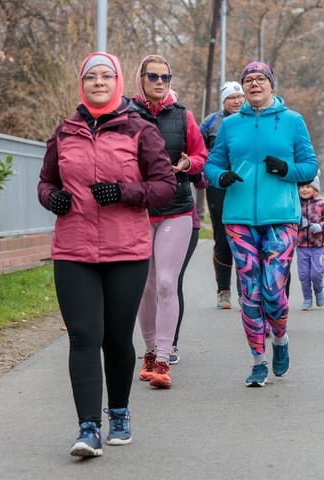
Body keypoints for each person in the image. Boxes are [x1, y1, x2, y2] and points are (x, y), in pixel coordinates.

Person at [37, 52, 176, 457]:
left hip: (125, 249)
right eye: (91, 77)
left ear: (117, 82)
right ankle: (87, 429)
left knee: (116, 338)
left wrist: (124, 192)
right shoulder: (64, 132)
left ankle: (119, 411)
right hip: (73, 248)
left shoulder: (140, 130)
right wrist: (54, 198)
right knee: (84, 336)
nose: (99, 82)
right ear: (82, 84)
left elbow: (164, 186)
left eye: (106, 76)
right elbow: (45, 182)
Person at [203, 61, 318, 387]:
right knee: (250, 293)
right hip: (238, 218)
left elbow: (310, 167)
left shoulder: (293, 122)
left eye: (260, 79)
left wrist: (286, 169)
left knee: (272, 290)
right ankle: (257, 361)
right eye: (248, 80)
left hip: (281, 217)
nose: (254, 84)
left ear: (271, 85)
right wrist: (221, 177)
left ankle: (279, 339)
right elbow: (211, 165)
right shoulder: (229, 126)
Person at [129, 54, 207, 389]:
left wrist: (190, 163)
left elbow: (202, 156)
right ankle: (148, 351)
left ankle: (163, 358)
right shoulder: (126, 114)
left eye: (166, 77)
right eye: (153, 76)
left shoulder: (183, 116)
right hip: (139, 210)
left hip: (177, 209)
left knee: (165, 283)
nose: (160, 82)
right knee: (144, 286)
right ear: (141, 78)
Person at [200, 81, 245, 310]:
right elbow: (196, 149)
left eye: (240, 96)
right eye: (232, 97)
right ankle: (223, 290)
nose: (237, 101)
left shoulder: (251, 119)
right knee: (223, 237)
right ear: (223, 101)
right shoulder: (211, 122)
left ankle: (245, 291)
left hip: (243, 184)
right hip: (218, 185)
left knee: (244, 237)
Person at [169, 174, 207, 364]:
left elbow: (203, 181)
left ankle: (169, 344)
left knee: (170, 282)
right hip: (145, 219)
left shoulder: (186, 144)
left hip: (184, 219)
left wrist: (191, 167)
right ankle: (152, 345)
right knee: (149, 287)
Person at [296, 176, 324, 310]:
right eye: (301, 187)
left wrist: (321, 226)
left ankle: (319, 290)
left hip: (319, 245)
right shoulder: (296, 204)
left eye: (307, 187)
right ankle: (307, 298)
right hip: (301, 245)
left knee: (316, 274)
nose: (304, 190)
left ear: (315, 189)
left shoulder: (322, 204)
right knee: (303, 275)